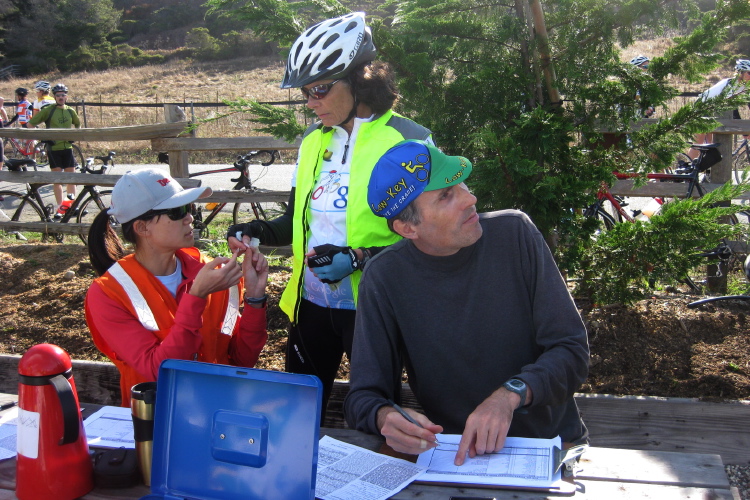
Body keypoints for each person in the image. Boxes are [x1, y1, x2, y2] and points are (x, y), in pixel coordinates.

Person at [226, 12, 433, 416]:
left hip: (372, 307)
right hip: (311, 304)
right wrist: (255, 229)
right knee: (297, 414)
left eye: (320, 89)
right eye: (306, 93)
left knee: (377, 415)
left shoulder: (409, 139)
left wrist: (359, 259)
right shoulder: (311, 141)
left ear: (361, 81)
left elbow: (428, 236)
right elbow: (294, 221)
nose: (310, 103)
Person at [344, 140, 590, 466]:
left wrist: (510, 395)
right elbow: (363, 396)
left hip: (551, 448)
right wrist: (383, 416)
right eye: (446, 195)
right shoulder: (384, 278)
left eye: (460, 183)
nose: (469, 198)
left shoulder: (515, 235)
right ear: (407, 227)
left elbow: (571, 350)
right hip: (456, 458)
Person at [85, 168, 268, 407]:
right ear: (142, 228)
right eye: (176, 211)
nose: (189, 217)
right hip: (157, 427)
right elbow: (159, 372)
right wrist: (197, 297)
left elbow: (241, 361)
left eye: (189, 208)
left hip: (218, 414)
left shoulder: (212, 274)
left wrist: (254, 298)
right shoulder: (107, 294)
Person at [27, 83, 80, 218]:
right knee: (57, 180)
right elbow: (31, 124)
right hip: (54, 149)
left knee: (71, 179)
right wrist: (43, 138)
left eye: (63, 95)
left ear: (66, 96)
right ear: (54, 97)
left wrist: (74, 136)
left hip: (67, 148)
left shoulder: (70, 111)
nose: (61, 97)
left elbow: (78, 125)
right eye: (58, 95)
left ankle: (69, 206)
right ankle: (60, 208)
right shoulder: (48, 110)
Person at [690, 59, 750, 158]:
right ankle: (687, 167)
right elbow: (732, 109)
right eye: (749, 73)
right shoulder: (731, 84)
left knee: (712, 145)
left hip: (714, 111)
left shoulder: (745, 87)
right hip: (702, 108)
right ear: (740, 73)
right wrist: (744, 131)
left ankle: (707, 171)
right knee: (699, 143)